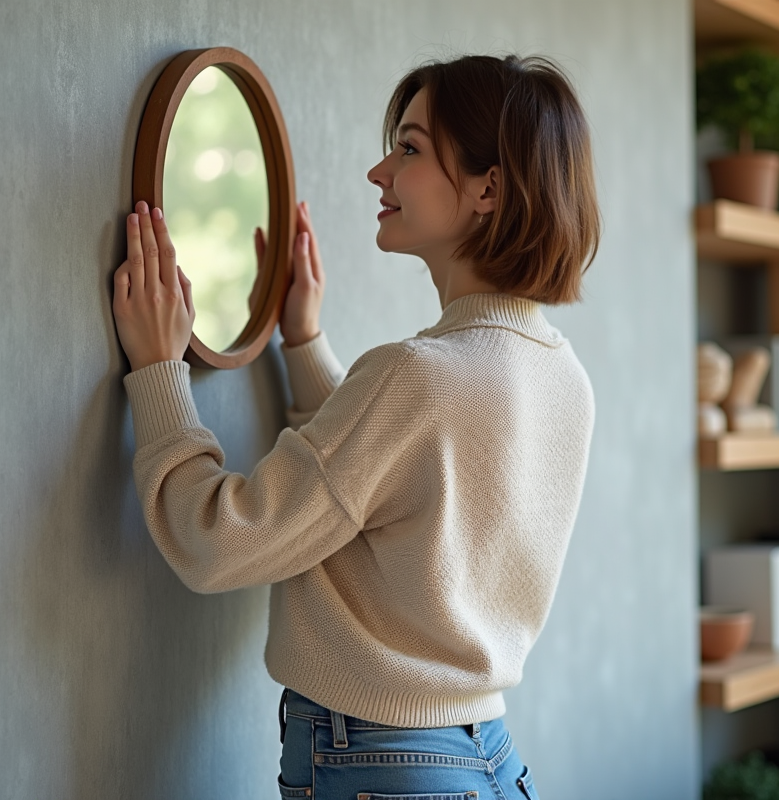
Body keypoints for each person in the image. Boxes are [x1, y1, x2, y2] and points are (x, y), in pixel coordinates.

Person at [112, 53, 599, 799]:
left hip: (381, 764)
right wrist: (302, 342)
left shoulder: (418, 376)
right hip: (488, 759)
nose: (380, 173)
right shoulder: (562, 376)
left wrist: (156, 373)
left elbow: (216, 541)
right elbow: (391, 479)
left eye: (408, 149)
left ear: (488, 188)